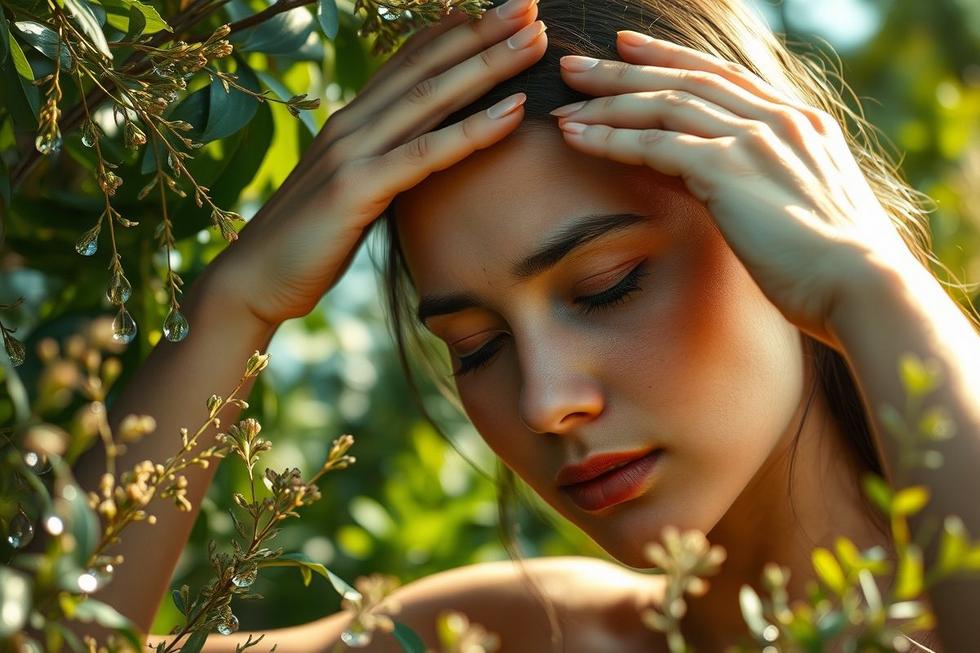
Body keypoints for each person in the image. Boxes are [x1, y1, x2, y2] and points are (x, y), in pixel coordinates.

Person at [75, 0, 980, 650]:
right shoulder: (518, 633)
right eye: (477, 347)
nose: (545, 401)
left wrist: (879, 291)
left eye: (608, 285)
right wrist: (236, 303)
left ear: (783, 226)